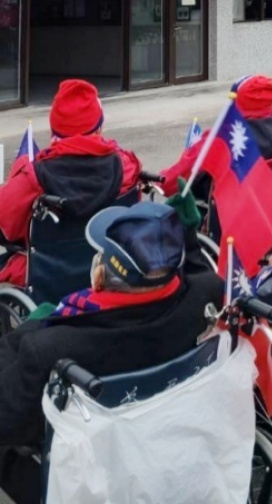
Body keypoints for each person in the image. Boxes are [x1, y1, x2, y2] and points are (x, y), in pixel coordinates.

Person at [0, 200, 221, 502]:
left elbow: (9, 422)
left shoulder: (50, 347)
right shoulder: (204, 298)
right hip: (171, 445)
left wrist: (26, 334)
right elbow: (200, 277)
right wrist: (189, 236)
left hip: (91, 474)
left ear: (101, 275)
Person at [0, 80, 141, 287]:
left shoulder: (33, 176)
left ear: (54, 128)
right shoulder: (126, 166)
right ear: (99, 127)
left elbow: (7, 224)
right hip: (109, 271)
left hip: (50, 278)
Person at [159, 75, 272, 198]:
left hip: (224, 213)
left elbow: (176, 179)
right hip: (268, 206)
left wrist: (160, 182)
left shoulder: (221, 138)